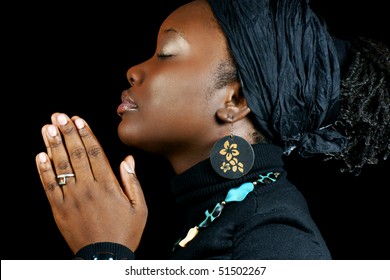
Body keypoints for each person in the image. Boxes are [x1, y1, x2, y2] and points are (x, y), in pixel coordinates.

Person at [35, 0, 389, 260]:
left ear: (235, 98)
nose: (133, 70)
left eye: (166, 53)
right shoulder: (222, 215)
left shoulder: (279, 241)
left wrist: (104, 253)